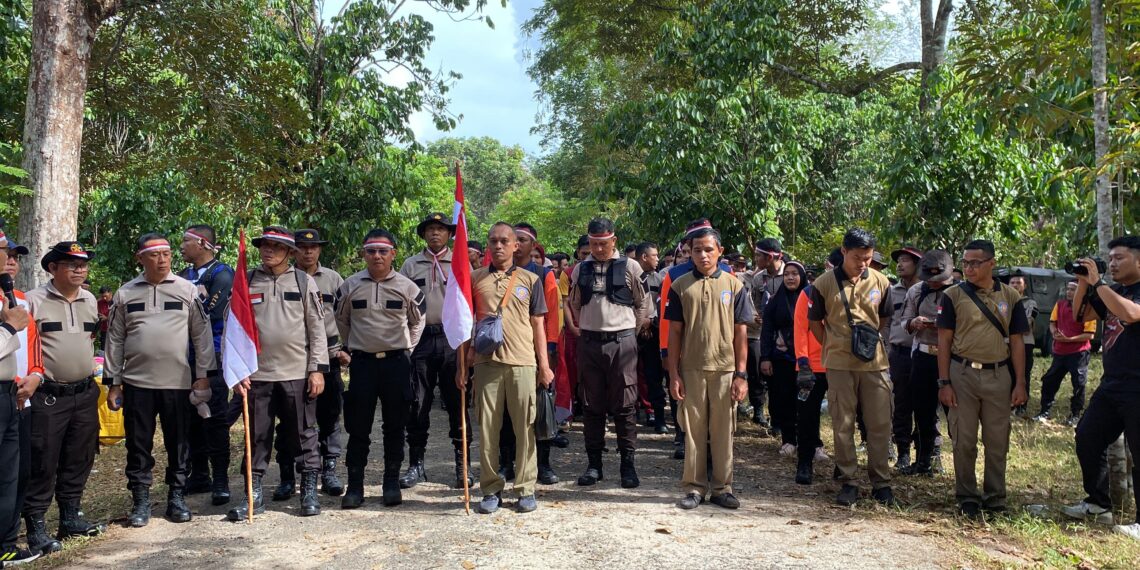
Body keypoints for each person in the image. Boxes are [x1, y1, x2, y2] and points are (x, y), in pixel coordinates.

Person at [105, 233, 216, 527]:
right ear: (140, 258)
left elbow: (202, 337)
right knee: (138, 445)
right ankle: (140, 500)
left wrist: (203, 377)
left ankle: (176, 497)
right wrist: (114, 382)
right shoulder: (125, 294)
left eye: (167, 253)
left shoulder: (188, 290)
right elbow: (114, 340)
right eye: (155, 255)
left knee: (179, 443)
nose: (163, 259)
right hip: (137, 383)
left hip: (178, 382)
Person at [226, 227, 328, 521]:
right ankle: (254, 494)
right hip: (258, 375)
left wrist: (317, 370)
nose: (267, 251)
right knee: (257, 436)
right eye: (264, 246)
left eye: (275, 247)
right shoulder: (246, 281)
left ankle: (308, 490)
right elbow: (233, 329)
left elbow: (317, 329)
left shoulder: (303, 281)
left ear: (290, 253)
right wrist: (237, 371)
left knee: (303, 434)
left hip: (296, 372)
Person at [460, 222, 553, 514]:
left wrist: (544, 366)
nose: (498, 246)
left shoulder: (531, 279)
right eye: (493, 241)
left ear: (516, 246)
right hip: (486, 365)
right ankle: (490, 489)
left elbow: (539, 325)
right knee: (488, 429)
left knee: (525, 428)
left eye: (504, 241)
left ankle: (526, 488)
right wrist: (462, 366)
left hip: (523, 363)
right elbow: (463, 326)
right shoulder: (473, 279)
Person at [23, 242, 106, 554]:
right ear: (52, 268)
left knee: (79, 456)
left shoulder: (89, 300)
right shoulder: (33, 301)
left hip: (84, 393)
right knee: (43, 459)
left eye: (83, 264)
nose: (80, 269)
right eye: (71, 264)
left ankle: (71, 517)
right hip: (48, 397)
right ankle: (36, 525)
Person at [936, 239, 1029, 518]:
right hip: (962, 373)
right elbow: (944, 340)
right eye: (965, 263)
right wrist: (944, 382)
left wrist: (1020, 382)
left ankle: (995, 496)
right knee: (963, 439)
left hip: (998, 375)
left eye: (975, 263)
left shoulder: (1010, 296)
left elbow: (1017, 342)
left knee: (997, 439)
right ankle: (967, 496)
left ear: (991, 263)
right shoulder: (953, 295)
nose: (969, 268)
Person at [807, 228, 897, 507]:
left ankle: (881, 482)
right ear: (844, 252)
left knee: (880, 423)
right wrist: (836, 343)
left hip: (874, 364)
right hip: (839, 364)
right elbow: (815, 324)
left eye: (868, 258)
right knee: (842, 423)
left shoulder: (882, 282)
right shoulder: (823, 284)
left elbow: (884, 319)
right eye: (857, 257)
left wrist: (866, 341)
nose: (863, 263)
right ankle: (848, 480)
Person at [335, 229, 424, 509]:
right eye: (371, 251)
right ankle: (355, 486)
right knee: (358, 426)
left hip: (397, 364)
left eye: (383, 251)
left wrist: (407, 348)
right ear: (364, 253)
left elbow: (418, 320)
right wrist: (353, 345)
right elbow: (341, 320)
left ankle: (391, 483)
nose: (377, 256)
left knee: (395, 426)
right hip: (362, 365)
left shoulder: (408, 287)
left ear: (393, 254)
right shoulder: (349, 286)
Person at [664, 227, 751, 509]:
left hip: (725, 371)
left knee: (724, 431)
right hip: (691, 369)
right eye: (697, 250)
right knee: (693, 431)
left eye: (708, 249)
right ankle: (694, 487)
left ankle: (722, 488)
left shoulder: (734, 286)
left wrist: (741, 374)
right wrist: (674, 373)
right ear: (690, 252)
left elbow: (741, 333)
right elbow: (674, 332)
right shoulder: (680, 286)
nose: (703, 255)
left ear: (720, 252)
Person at [1062, 238, 1140, 540]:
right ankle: (1098, 503)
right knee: (1088, 436)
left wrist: (1098, 281)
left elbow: (1131, 314)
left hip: (1138, 386)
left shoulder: (1123, 294)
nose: (1114, 263)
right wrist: (1083, 281)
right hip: (1112, 384)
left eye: (1120, 257)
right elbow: (1081, 315)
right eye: (1110, 258)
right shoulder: (1114, 291)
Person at [567, 218, 650, 489]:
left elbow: (643, 305)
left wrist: (627, 332)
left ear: (613, 241)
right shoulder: (581, 269)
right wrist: (592, 326)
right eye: (593, 244)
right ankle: (594, 465)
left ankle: (628, 465)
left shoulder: (631, 266)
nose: (599, 249)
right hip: (590, 343)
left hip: (623, 342)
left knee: (625, 405)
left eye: (604, 244)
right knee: (591, 405)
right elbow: (575, 304)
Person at [396, 214, 471, 490]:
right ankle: (416, 464)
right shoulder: (410, 264)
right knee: (418, 403)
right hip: (422, 339)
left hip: (453, 339)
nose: (435, 233)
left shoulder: (460, 263)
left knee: (457, 401)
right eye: (430, 229)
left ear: (450, 234)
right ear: (424, 234)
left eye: (440, 229)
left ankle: (463, 464)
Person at [271, 229, 346, 500]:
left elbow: (345, 315)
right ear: (293, 251)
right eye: (302, 247)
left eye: (313, 247)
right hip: (292, 361)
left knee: (328, 416)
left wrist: (343, 349)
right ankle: (287, 477)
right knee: (290, 420)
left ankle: (328, 471)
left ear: (320, 250)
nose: (308, 251)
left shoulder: (334, 279)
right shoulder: (282, 279)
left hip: (327, 357)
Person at [497, 223, 562, 485]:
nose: (519, 244)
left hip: (536, 353)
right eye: (517, 239)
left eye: (524, 240)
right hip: (506, 354)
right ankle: (506, 463)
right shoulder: (496, 274)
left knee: (540, 410)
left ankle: (543, 464)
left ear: (533, 245)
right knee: (505, 414)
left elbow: (551, 319)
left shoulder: (543, 275)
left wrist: (548, 354)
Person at [178, 224, 235, 506]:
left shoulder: (222, 273)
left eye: (186, 241)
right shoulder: (182, 276)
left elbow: (207, 314)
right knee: (190, 422)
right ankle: (199, 473)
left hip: (212, 357)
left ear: (202, 243)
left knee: (215, 419)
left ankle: (221, 478)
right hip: (183, 359)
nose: (181, 246)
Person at [0, 228, 44, 565]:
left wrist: (35, 376)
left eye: (13, 253)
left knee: (14, 472)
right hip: (5, 389)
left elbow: (33, 347)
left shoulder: (16, 298)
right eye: (5, 250)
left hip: (16, 395)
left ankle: (7, 540)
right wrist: (8, 329)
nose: (10, 259)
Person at [899, 250, 954, 477]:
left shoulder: (958, 293)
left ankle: (958, 459)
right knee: (922, 411)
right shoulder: (916, 291)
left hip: (952, 358)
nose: (932, 282)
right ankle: (923, 460)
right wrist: (915, 322)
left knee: (955, 413)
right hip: (923, 356)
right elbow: (903, 321)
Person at [760, 261, 809, 457]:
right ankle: (789, 440)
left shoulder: (811, 297)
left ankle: (811, 442)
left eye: (794, 274)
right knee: (785, 399)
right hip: (782, 358)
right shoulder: (775, 301)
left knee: (806, 402)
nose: (790, 277)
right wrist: (765, 357)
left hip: (807, 360)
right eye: (787, 274)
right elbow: (767, 330)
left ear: (802, 277)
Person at [1033, 281, 1095, 426]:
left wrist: (1070, 339)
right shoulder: (1060, 305)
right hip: (1060, 352)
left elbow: (1089, 335)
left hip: (1079, 353)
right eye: (1068, 289)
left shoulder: (1087, 309)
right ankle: (1044, 411)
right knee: (1049, 381)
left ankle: (1075, 415)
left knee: (1079, 383)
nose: (1069, 292)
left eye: (1073, 289)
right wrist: (1054, 332)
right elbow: (1052, 321)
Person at [792, 262, 830, 485]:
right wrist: (803, 363)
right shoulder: (808, 293)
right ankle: (804, 463)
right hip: (812, 366)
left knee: (846, 417)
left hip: (839, 363)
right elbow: (800, 329)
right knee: (807, 417)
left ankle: (843, 466)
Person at [887, 247, 922, 469]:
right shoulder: (891, 292)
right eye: (898, 261)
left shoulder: (927, 290)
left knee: (924, 405)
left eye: (905, 261)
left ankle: (927, 453)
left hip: (922, 355)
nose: (900, 265)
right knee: (901, 404)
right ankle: (903, 452)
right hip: (898, 354)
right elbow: (884, 321)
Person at [747, 238, 785, 429]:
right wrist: (757, 317)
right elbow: (753, 302)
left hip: (787, 337)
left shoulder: (791, 274)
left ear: (770, 257)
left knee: (782, 380)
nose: (755, 259)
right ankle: (761, 410)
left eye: (758, 255)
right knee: (761, 373)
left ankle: (780, 419)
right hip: (763, 334)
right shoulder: (758, 278)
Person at [636, 242, 672, 435]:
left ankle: (659, 417)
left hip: (653, 334)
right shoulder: (630, 277)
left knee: (654, 375)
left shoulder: (660, 279)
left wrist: (653, 321)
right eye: (654, 255)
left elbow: (664, 306)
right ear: (644, 257)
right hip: (630, 332)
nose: (657, 259)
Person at [1008, 274, 1038, 418]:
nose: (1015, 285)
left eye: (1018, 283)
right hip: (1005, 344)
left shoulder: (1030, 303)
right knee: (1007, 374)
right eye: (1012, 282)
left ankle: (1021, 406)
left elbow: (1025, 325)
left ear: (1024, 286)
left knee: (1022, 374)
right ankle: (1008, 404)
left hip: (1025, 343)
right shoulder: (1003, 302)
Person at [96, 286, 112, 350]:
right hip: (103, 330)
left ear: (110, 293)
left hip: (114, 330)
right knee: (103, 347)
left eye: (106, 296)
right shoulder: (100, 302)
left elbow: (120, 316)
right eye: (102, 296)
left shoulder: (116, 302)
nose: (104, 298)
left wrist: (107, 318)